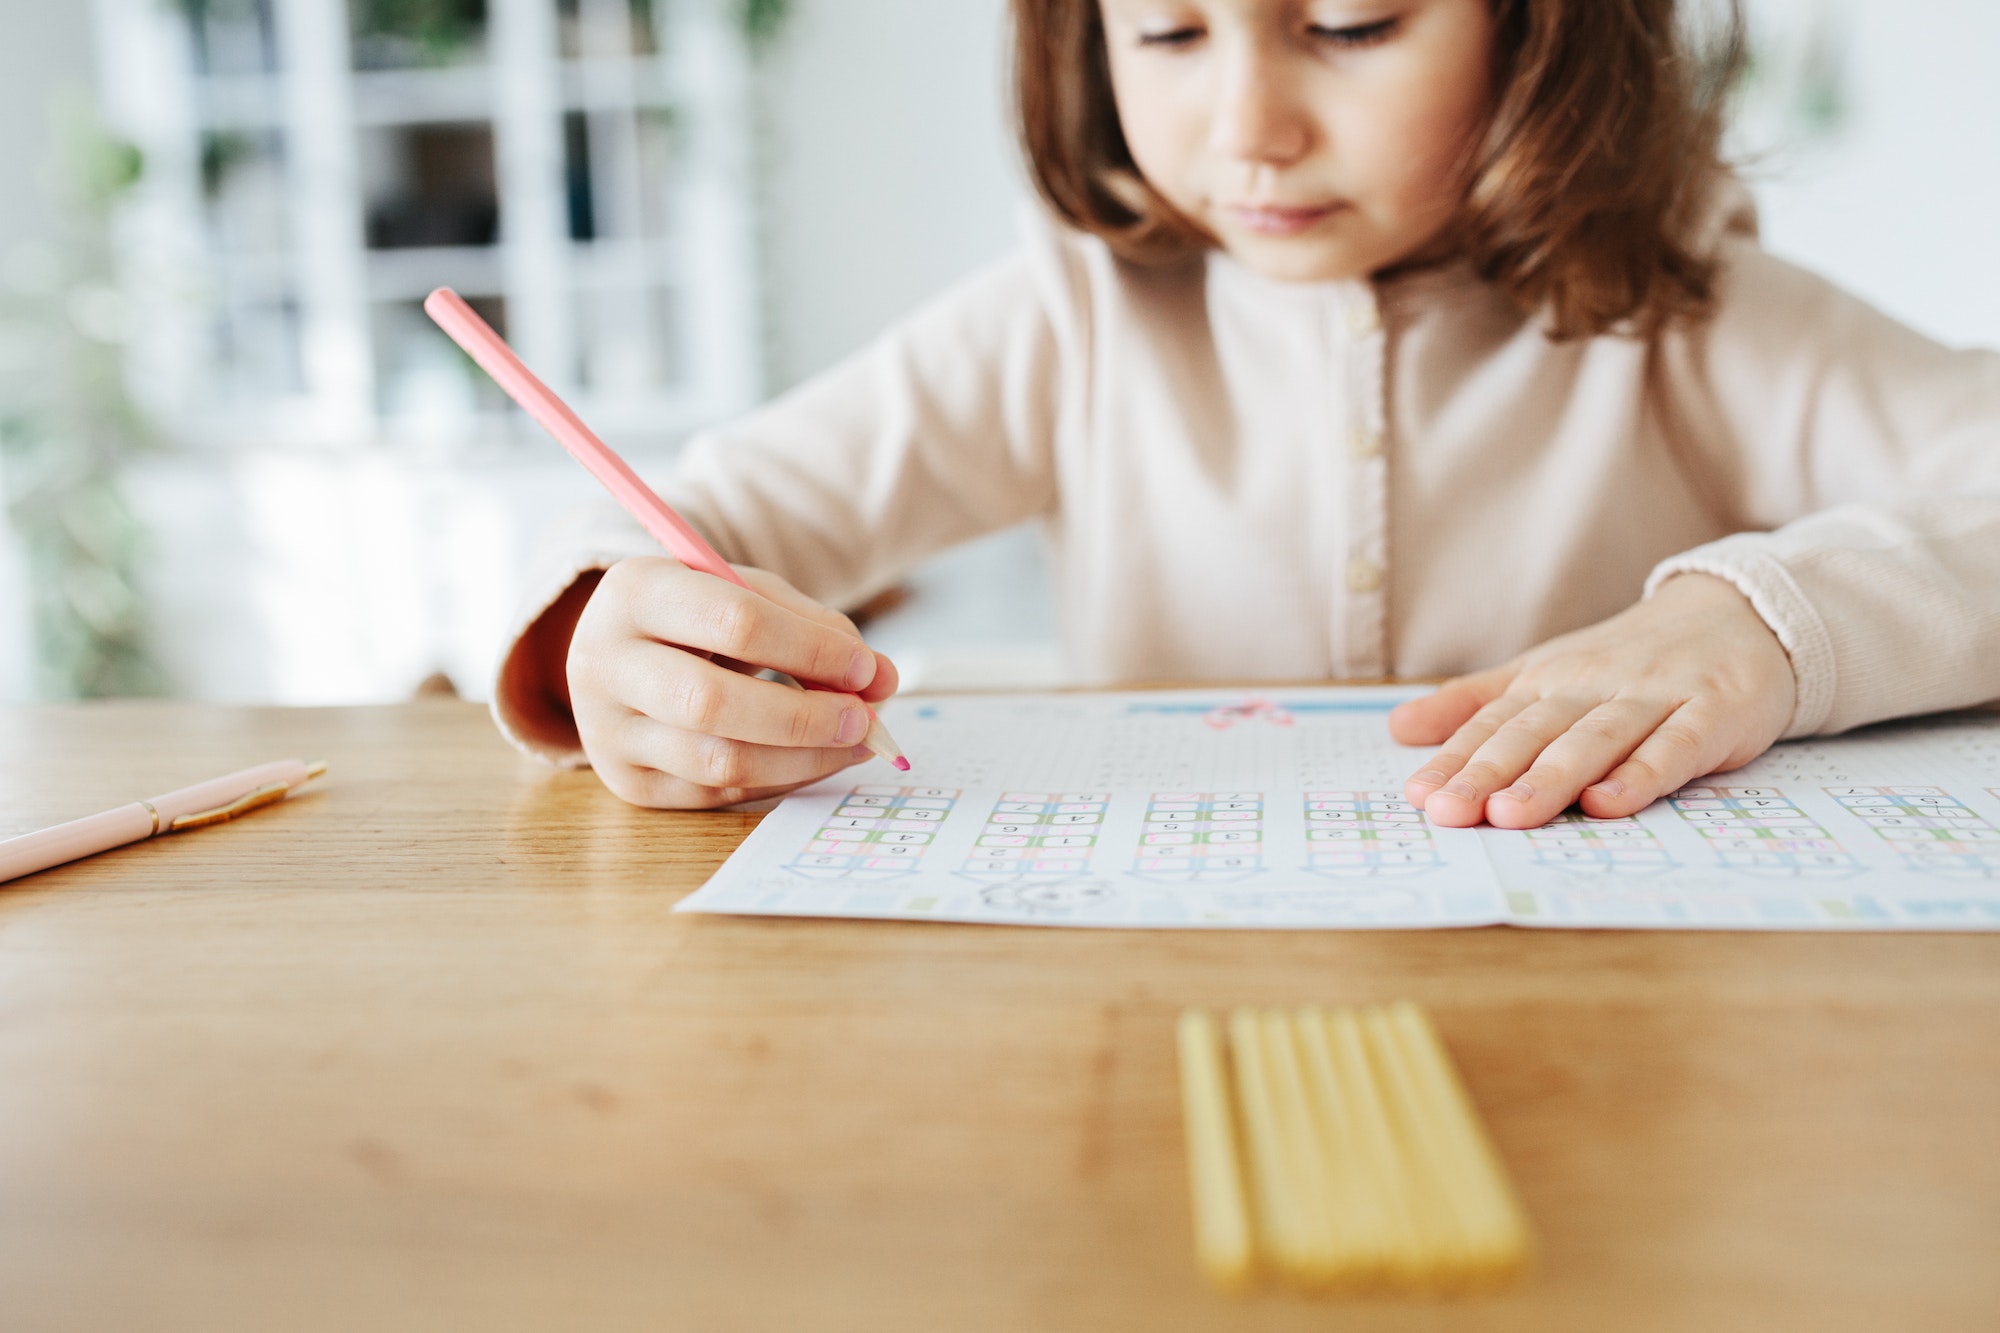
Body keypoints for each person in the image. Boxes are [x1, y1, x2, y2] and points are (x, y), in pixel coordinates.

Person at [492, 0, 2000, 827]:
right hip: (1171, 1019)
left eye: (1350, 25)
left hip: (1601, 1013)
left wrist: (1760, 626)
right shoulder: (1076, 314)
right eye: (1166, 31)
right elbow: (677, 520)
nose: (1246, 129)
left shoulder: (1684, 309)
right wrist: (609, 634)